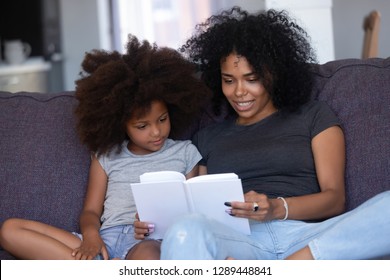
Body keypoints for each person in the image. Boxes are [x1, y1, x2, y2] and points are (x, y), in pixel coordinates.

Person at [159, 7, 390, 260]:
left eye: (251, 78)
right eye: (229, 80)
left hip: (308, 240)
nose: (238, 92)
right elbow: (198, 208)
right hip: (240, 240)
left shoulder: (313, 116)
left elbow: (335, 200)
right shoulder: (207, 137)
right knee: (184, 230)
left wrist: (276, 208)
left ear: (273, 74)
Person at [0, 35, 211, 260]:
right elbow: (91, 211)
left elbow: (192, 216)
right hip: (102, 241)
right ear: (121, 124)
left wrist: (157, 227)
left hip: (147, 243)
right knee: (10, 230)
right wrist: (91, 237)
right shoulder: (107, 156)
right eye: (142, 126)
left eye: (162, 119)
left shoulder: (186, 152)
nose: (156, 132)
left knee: (149, 256)